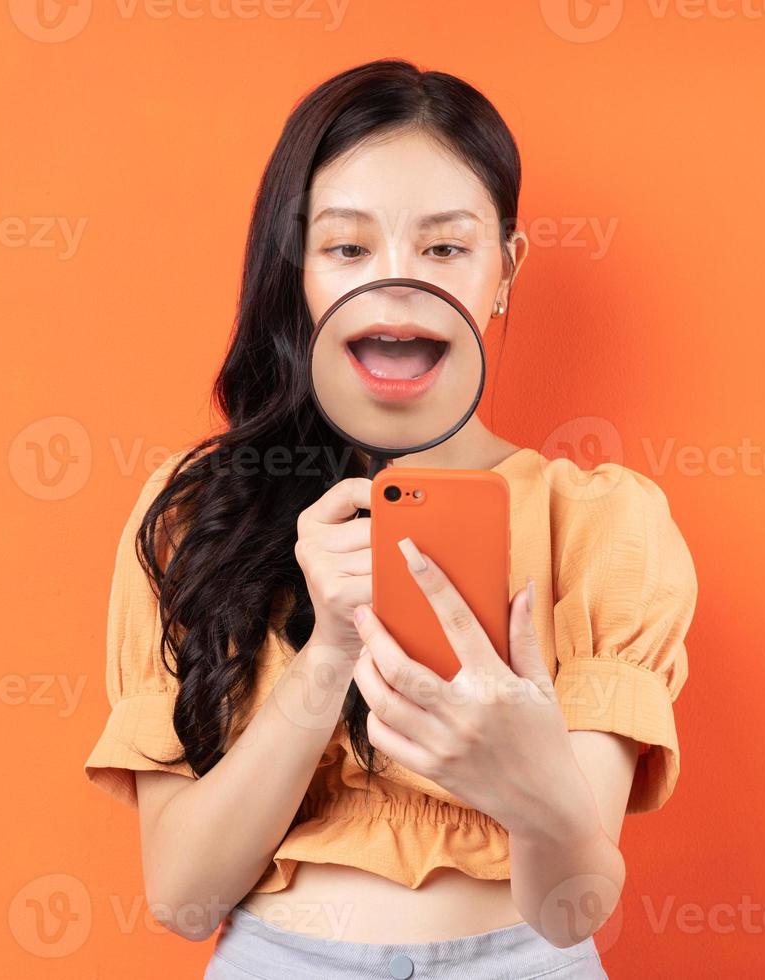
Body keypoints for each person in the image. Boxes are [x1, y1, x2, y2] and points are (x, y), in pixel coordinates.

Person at [83, 58, 697, 979]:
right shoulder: (199, 514)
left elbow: (575, 910)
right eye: (348, 249)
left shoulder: (603, 528)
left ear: (504, 271)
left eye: (446, 248)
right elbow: (183, 896)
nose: (399, 283)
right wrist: (329, 651)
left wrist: (529, 785)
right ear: (298, 274)